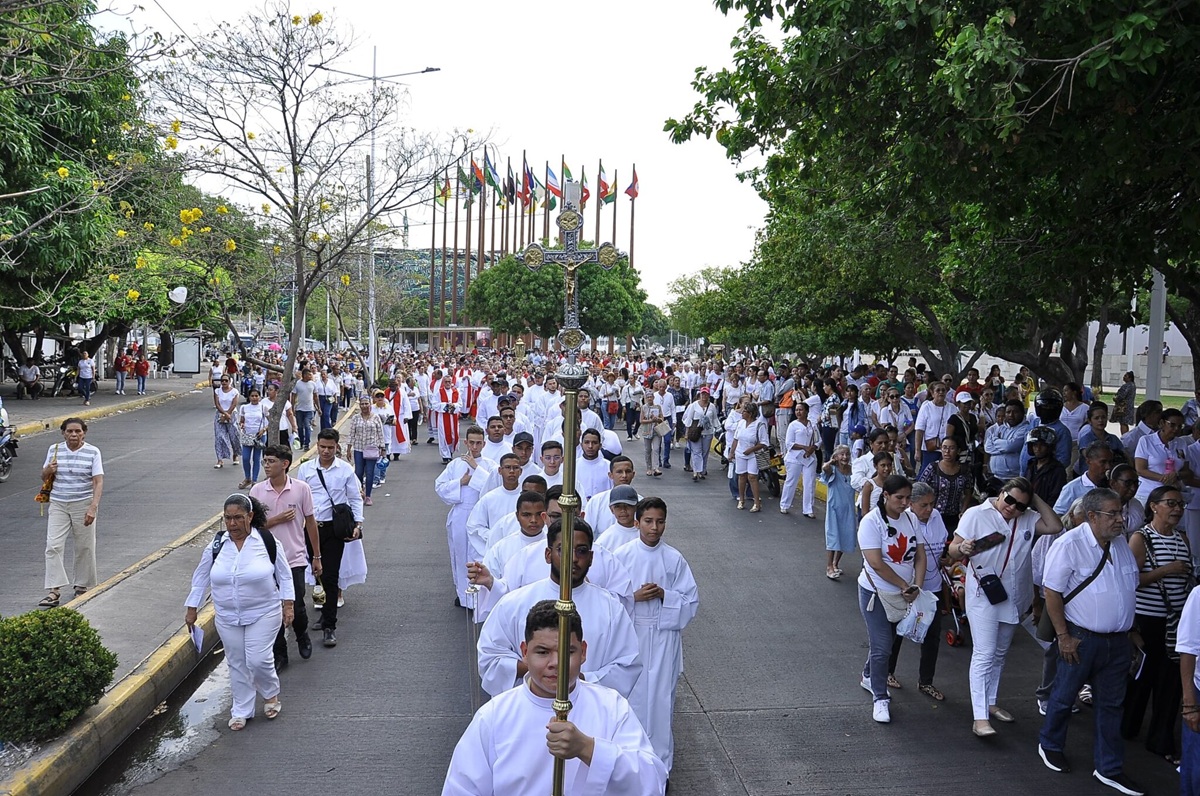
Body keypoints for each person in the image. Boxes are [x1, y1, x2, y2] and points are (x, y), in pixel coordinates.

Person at [442, 600, 667, 795]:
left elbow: (652, 784)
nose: (555, 663)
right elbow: (462, 788)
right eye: (542, 652)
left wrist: (588, 749)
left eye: (568, 652)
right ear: (524, 651)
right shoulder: (493, 716)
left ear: (584, 651)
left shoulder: (612, 707)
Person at [1038, 488, 1143, 796]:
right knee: (1063, 696)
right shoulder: (1069, 544)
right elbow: (1052, 592)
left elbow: (1127, 587)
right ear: (1092, 516)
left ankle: (1109, 768)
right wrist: (1063, 637)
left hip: (1117, 641)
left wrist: (1131, 633)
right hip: (1081, 638)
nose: (1120, 520)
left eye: (1121, 513)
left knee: (1111, 705)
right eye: (1113, 514)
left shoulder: (1121, 543)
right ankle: (1050, 744)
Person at [476, 518, 642, 699]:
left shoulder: (611, 609)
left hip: (588, 709)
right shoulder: (514, 603)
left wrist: (580, 678)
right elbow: (490, 658)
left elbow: (628, 664)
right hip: (528, 708)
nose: (573, 558)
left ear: (591, 557)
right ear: (548, 555)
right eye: (563, 550)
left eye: (581, 551)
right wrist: (537, 669)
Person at [947, 477, 1062, 737]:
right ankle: (979, 718)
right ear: (1001, 494)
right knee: (984, 654)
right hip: (983, 594)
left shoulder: (1029, 518)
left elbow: (1055, 525)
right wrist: (962, 547)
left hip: (1014, 597)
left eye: (1020, 505)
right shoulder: (976, 514)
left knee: (999, 654)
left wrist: (1033, 500)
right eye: (1009, 500)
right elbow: (953, 550)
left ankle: (991, 702)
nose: (1012, 507)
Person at [185, 494, 293, 730]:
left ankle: (270, 694)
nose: (232, 524)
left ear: (250, 517)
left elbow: (284, 575)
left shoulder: (267, 542)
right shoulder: (216, 545)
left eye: (238, 518)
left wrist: (288, 604)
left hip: (264, 612)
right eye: (228, 518)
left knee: (257, 659)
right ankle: (241, 709)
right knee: (237, 662)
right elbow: (200, 578)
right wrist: (191, 609)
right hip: (227, 615)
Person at [611, 497, 699, 773]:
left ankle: (659, 767)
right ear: (637, 522)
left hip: (663, 637)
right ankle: (628, 764)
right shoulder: (622, 555)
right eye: (648, 521)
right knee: (632, 698)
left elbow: (691, 601)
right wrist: (632, 597)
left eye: (660, 522)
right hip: (633, 635)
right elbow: (608, 600)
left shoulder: (673, 558)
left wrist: (665, 595)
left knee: (661, 701)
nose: (654, 528)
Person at [1122, 486, 1193, 763]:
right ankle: (1127, 728)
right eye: (1171, 503)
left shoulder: (1182, 539)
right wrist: (1165, 571)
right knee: (1141, 679)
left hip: (1175, 622)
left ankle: (1161, 740)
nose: (1177, 509)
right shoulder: (1141, 538)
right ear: (1154, 506)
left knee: (1171, 683)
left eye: (1180, 505)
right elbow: (1131, 580)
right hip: (1148, 621)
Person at [858, 475, 925, 723]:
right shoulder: (871, 522)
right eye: (899, 498)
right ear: (885, 495)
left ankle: (868, 674)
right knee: (883, 646)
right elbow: (875, 563)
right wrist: (904, 585)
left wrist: (916, 585)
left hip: (904, 592)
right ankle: (880, 698)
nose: (905, 503)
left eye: (908, 498)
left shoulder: (911, 519)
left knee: (890, 642)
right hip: (875, 593)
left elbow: (919, 555)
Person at [250, 445, 321, 670]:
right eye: (265, 461)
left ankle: (302, 635)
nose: (267, 465)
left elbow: (310, 522)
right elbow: (252, 526)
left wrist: (316, 556)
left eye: (271, 461)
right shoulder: (257, 491)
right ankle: (280, 653)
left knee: (297, 604)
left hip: (295, 558)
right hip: (266, 560)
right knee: (272, 609)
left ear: (285, 464)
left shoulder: (301, 489)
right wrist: (276, 520)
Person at [297, 429, 364, 648]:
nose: (326, 451)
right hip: (310, 529)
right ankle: (324, 614)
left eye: (330, 447)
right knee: (317, 574)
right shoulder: (306, 469)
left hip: (334, 529)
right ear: (317, 445)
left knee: (331, 576)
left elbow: (354, 497)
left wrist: (358, 524)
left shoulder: (345, 470)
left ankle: (330, 627)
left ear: (337, 447)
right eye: (322, 447)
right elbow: (299, 499)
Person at [887, 481, 949, 701]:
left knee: (932, 637)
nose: (929, 509)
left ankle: (926, 681)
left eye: (932, 504)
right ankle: (887, 672)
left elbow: (942, 545)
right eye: (924, 505)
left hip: (932, 588)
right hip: (907, 589)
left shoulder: (937, 518)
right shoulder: (905, 523)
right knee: (896, 634)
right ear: (910, 504)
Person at [38, 418, 104, 608]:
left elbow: (98, 481)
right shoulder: (54, 450)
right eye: (69, 432)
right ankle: (54, 590)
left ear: (84, 433)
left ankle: (82, 586)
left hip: (83, 503)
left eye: (77, 431)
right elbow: (44, 477)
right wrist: (47, 470)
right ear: (63, 433)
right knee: (53, 545)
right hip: (58, 503)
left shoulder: (93, 452)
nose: (73, 435)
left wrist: (93, 507)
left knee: (85, 546)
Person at [435, 426, 492, 607]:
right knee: (460, 555)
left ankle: (479, 597)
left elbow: (493, 488)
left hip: (481, 516)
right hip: (461, 513)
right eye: (471, 442)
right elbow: (440, 487)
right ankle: (463, 595)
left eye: (479, 443)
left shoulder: (489, 465)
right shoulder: (455, 465)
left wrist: (476, 469)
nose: (475, 447)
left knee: (478, 555)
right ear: (465, 442)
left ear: (484, 444)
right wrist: (460, 482)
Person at [1134, 407, 1192, 507]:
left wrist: (1177, 475)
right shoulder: (1146, 441)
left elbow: (1187, 471)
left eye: (1180, 426)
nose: (1176, 429)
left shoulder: (1182, 443)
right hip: (1149, 494)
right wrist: (1164, 479)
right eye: (1172, 425)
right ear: (1162, 423)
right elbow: (1140, 470)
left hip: (1173, 495)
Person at [917, 437, 973, 535]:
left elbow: (968, 492)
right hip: (933, 515)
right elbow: (919, 489)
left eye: (951, 448)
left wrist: (963, 512)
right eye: (944, 448)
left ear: (958, 450)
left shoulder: (965, 470)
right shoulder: (933, 468)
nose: (947, 451)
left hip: (955, 516)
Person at [1177, 586, 1200, 795]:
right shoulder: (1199, 595)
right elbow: (1188, 648)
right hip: (1199, 692)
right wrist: (1190, 704)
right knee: (1196, 766)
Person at [345, 395, 387, 506]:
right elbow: (351, 434)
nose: (364, 406)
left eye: (366, 403)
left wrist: (382, 449)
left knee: (369, 473)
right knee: (358, 472)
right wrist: (348, 449)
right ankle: (359, 494)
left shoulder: (376, 417)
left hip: (372, 449)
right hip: (358, 448)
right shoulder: (356, 418)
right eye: (362, 404)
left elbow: (380, 434)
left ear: (370, 404)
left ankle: (368, 496)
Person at [780, 402, 819, 517]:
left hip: (809, 458)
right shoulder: (793, 425)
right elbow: (789, 443)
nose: (798, 412)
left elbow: (818, 440)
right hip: (795, 457)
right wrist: (803, 447)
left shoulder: (812, 425)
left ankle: (808, 509)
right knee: (791, 481)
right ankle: (784, 505)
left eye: (801, 410)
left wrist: (813, 448)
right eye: (797, 410)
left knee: (810, 482)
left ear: (806, 411)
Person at [730, 403, 769, 512]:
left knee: (752, 477)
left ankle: (757, 503)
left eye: (744, 411)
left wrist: (751, 450)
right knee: (742, 476)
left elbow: (764, 443)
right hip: (740, 453)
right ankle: (741, 499)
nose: (742, 413)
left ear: (750, 414)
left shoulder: (759, 425)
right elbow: (736, 439)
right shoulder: (741, 423)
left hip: (753, 454)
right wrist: (731, 453)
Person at [681, 388, 720, 483]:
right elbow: (688, 419)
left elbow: (715, 419)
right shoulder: (693, 405)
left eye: (706, 394)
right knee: (696, 452)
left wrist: (717, 429)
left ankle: (702, 470)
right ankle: (696, 471)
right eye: (702, 394)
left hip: (708, 432)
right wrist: (687, 433)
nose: (704, 396)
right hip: (696, 432)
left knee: (704, 452)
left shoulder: (712, 407)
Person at [1076, 402, 1126, 475]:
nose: (1100, 420)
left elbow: (1126, 456)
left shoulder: (1114, 438)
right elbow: (1090, 458)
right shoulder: (1086, 439)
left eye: (1103, 417)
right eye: (1096, 418)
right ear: (1090, 421)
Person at [914, 382, 954, 472]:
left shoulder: (952, 408)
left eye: (943, 390)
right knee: (927, 472)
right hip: (930, 448)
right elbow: (919, 430)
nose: (941, 392)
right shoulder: (926, 407)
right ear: (932, 393)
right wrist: (917, 450)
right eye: (938, 390)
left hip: (946, 449)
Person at [235, 388, 269, 489]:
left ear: (259, 397)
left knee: (256, 458)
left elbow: (271, 421)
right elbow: (242, 420)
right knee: (245, 458)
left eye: (256, 396)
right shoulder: (244, 408)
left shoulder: (263, 407)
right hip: (247, 436)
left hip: (259, 436)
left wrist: (264, 429)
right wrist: (241, 425)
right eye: (252, 396)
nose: (254, 398)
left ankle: (254, 480)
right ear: (249, 397)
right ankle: (247, 478)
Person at [213, 374, 241, 469]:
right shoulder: (217, 391)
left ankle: (235, 454)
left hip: (232, 415)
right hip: (220, 415)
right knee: (219, 437)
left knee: (234, 436)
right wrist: (224, 414)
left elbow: (234, 404)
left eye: (226, 380)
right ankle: (220, 459)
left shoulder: (234, 391)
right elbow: (217, 404)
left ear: (230, 381)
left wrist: (228, 414)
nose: (224, 382)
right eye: (222, 381)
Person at [290, 369, 317, 451]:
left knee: (307, 426)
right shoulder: (297, 384)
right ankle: (301, 442)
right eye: (309, 374)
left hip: (309, 409)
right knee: (300, 427)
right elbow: (293, 396)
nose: (310, 376)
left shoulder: (313, 384)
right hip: (299, 409)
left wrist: (318, 407)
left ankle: (307, 444)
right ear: (304, 375)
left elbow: (315, 396)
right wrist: (292, 407)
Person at [1114, 372, 1137, 436]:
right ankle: (1126, 436)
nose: (1123, 377)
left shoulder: (1127, 386)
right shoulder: (1133, 385)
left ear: (1130, 378)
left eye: (1125, 376)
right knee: (1125, 423)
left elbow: (1122, 396)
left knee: (1123, 423)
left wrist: (1116, 398)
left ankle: (1124, 436)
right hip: (1129, 406)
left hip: (1124, 408)